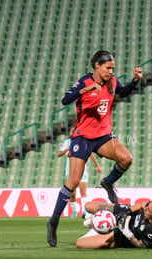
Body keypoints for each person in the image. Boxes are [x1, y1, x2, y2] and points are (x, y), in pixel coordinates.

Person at [47, 50, 143, 247]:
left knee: (127, 159)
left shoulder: (112, 82)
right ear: (97, 66)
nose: (111, 71)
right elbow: (65, 100)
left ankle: (107, 183)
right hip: (82, 137)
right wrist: (85, 90)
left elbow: (123, 92)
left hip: (104, 135)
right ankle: (53, 221)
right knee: (73, 181)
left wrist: (135, 80)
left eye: (113, 68)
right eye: (108, 68)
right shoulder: (84, 82)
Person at [76, 199, 152, 249]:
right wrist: (127, 212)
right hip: (127, 215)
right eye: (147, 206)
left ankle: (100, 225)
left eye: (148, 210)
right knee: (88, 206)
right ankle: (101, 221)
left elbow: (141, 245)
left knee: (80, 243)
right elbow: (142, 204)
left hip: (121, 236)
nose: (145, 208)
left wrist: (126, 232)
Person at [58, 126, 102, 218]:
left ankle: (85, 212)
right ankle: (74, 211)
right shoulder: (67, 142)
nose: (72, 132)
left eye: (74, 131)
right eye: (71, 131)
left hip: (82, 169)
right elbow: (59, 154)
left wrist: (97, 165)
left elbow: (90, 154)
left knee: (83, 190)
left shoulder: (82, 141)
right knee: (72, 194)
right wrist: (68, 149)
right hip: (70, 170)